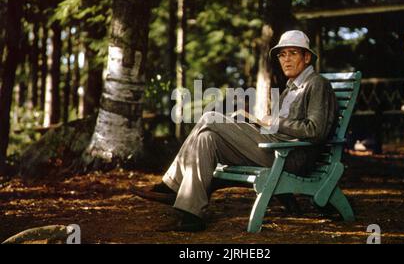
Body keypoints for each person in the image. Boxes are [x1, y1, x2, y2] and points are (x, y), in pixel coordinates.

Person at [132, 30, 338, 231]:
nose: (286, 59)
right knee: (207, 138)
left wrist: (270, 121)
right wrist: (255, 123)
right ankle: (191, 214)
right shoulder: (291, 87)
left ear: (307, 57)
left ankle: (171, 185)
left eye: (293, 53)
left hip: (290, 156)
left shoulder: (316, 84)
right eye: (282, 54)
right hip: (275, 148)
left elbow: (315, 130)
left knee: (209, 118)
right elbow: (279, 126)